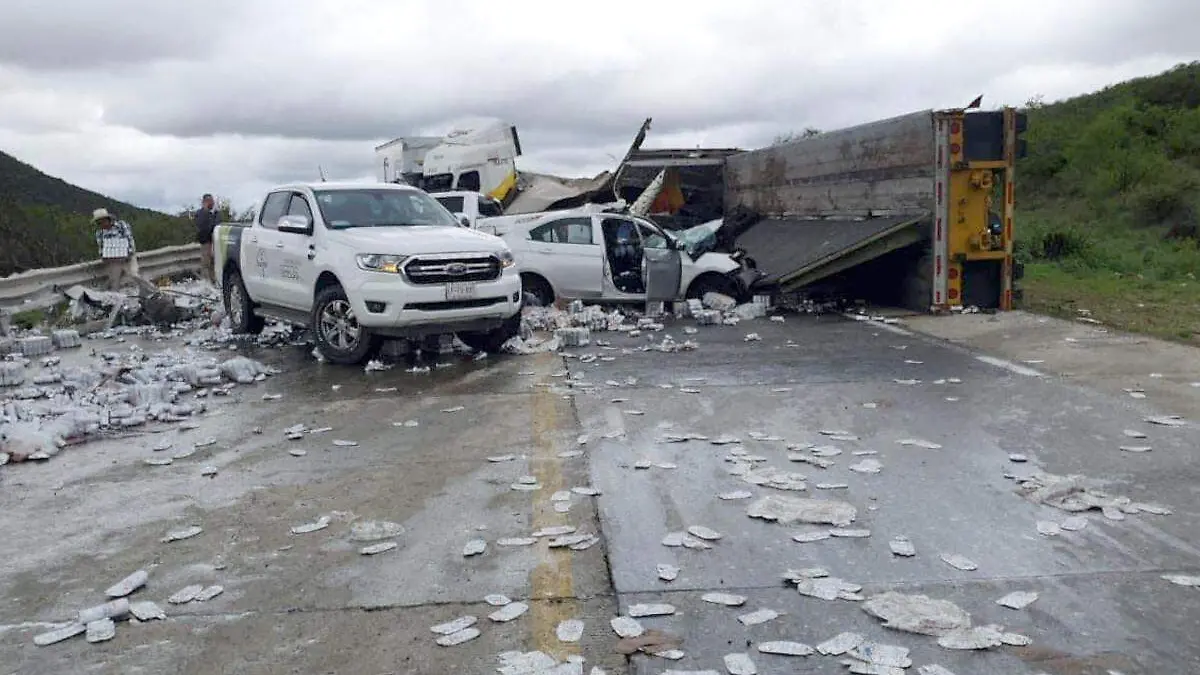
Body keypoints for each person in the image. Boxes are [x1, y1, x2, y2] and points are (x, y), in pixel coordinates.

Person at [93, 208, 140, 291]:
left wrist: (127, 254)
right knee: (114, 283)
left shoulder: (121, 225)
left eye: (102, 221)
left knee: (134, 275)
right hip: (113, 261)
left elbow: (130, 240)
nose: (101, 224)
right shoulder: (99, 233)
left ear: (108, 219)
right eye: (99, 223)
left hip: (128, 257)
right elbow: (101, 249)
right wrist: (105, 257)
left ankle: (151, 292)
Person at [194, 193, 219, 283]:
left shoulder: (214, 213)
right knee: (206, 263)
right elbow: (203, 227)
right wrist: (207, 212)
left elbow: (217, 225)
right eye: (209, 201)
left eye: (212, 201)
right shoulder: (200, 213)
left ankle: (214, 281)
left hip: (214, 240)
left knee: (213, 262)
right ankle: (206, 282)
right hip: (205, 241)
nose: (212, 203)